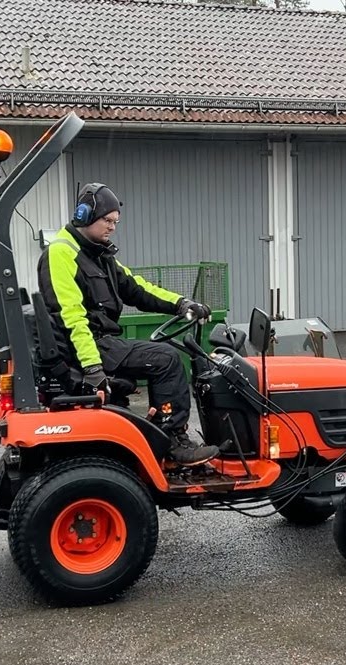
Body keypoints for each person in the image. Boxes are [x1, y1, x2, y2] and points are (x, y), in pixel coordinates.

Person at [36, 182, 219, 467]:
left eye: (115, 222)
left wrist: (181, 303)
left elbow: (138, 289)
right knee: (166, 359)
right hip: (88, 346)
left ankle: (157, 434)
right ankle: (173, 440)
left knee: (160, 355)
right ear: (84, 215)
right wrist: (92, 369)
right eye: (107, 221)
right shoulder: (62, 253)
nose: (112, 227)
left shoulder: (99, 254)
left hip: (100, 343)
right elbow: (70, 316)